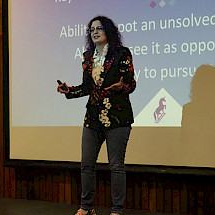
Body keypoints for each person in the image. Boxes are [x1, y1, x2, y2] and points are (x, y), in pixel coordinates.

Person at [57, 16, 136, 215]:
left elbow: (131, 84)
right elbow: (87, 88)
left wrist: (122, 87)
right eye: (92, 29)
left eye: (99, 28)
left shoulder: (122, 54)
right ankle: (86, 208)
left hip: (117, 117)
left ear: (109, 31)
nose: (95, 32)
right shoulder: (87, 56)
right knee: (86, 164)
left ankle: (116, 210)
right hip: (92, 117)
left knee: (116, 165)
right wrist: (69, 90)